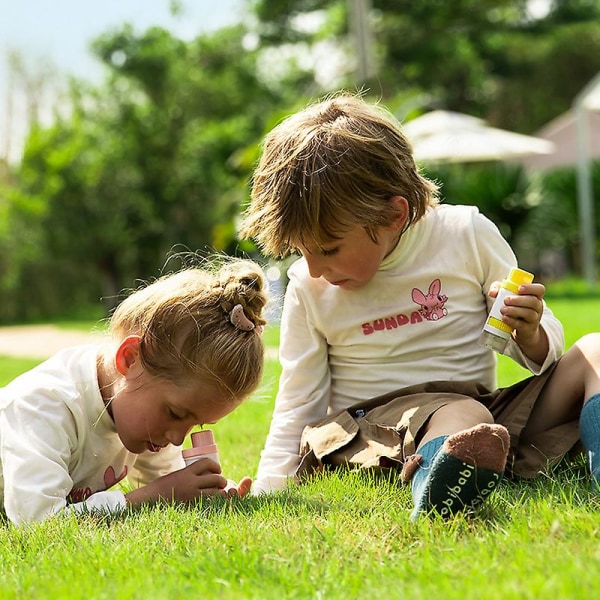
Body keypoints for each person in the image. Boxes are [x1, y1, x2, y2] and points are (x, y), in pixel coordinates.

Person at [240, 91, 600, 520]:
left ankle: (475, 462)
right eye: (302, 251)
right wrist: (269, 490)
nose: (314, 268)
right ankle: (435, 494)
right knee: (463, 414)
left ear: (394, 215)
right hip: (371, 435)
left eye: (329, 249)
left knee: (595, 351)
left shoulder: (466, 234)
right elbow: (298, 398)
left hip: (484, 416)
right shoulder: (307, 286)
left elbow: (547, 353)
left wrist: (531, 332)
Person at [0, 257, 268, 525]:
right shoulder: (44, 405)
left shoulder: (138, 409)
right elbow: (38, 521)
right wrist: (151, 496)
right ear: (129, 359)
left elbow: (171, 485)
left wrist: (207, 491)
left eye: (194, 424)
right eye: (175, 414)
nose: (177, 438)